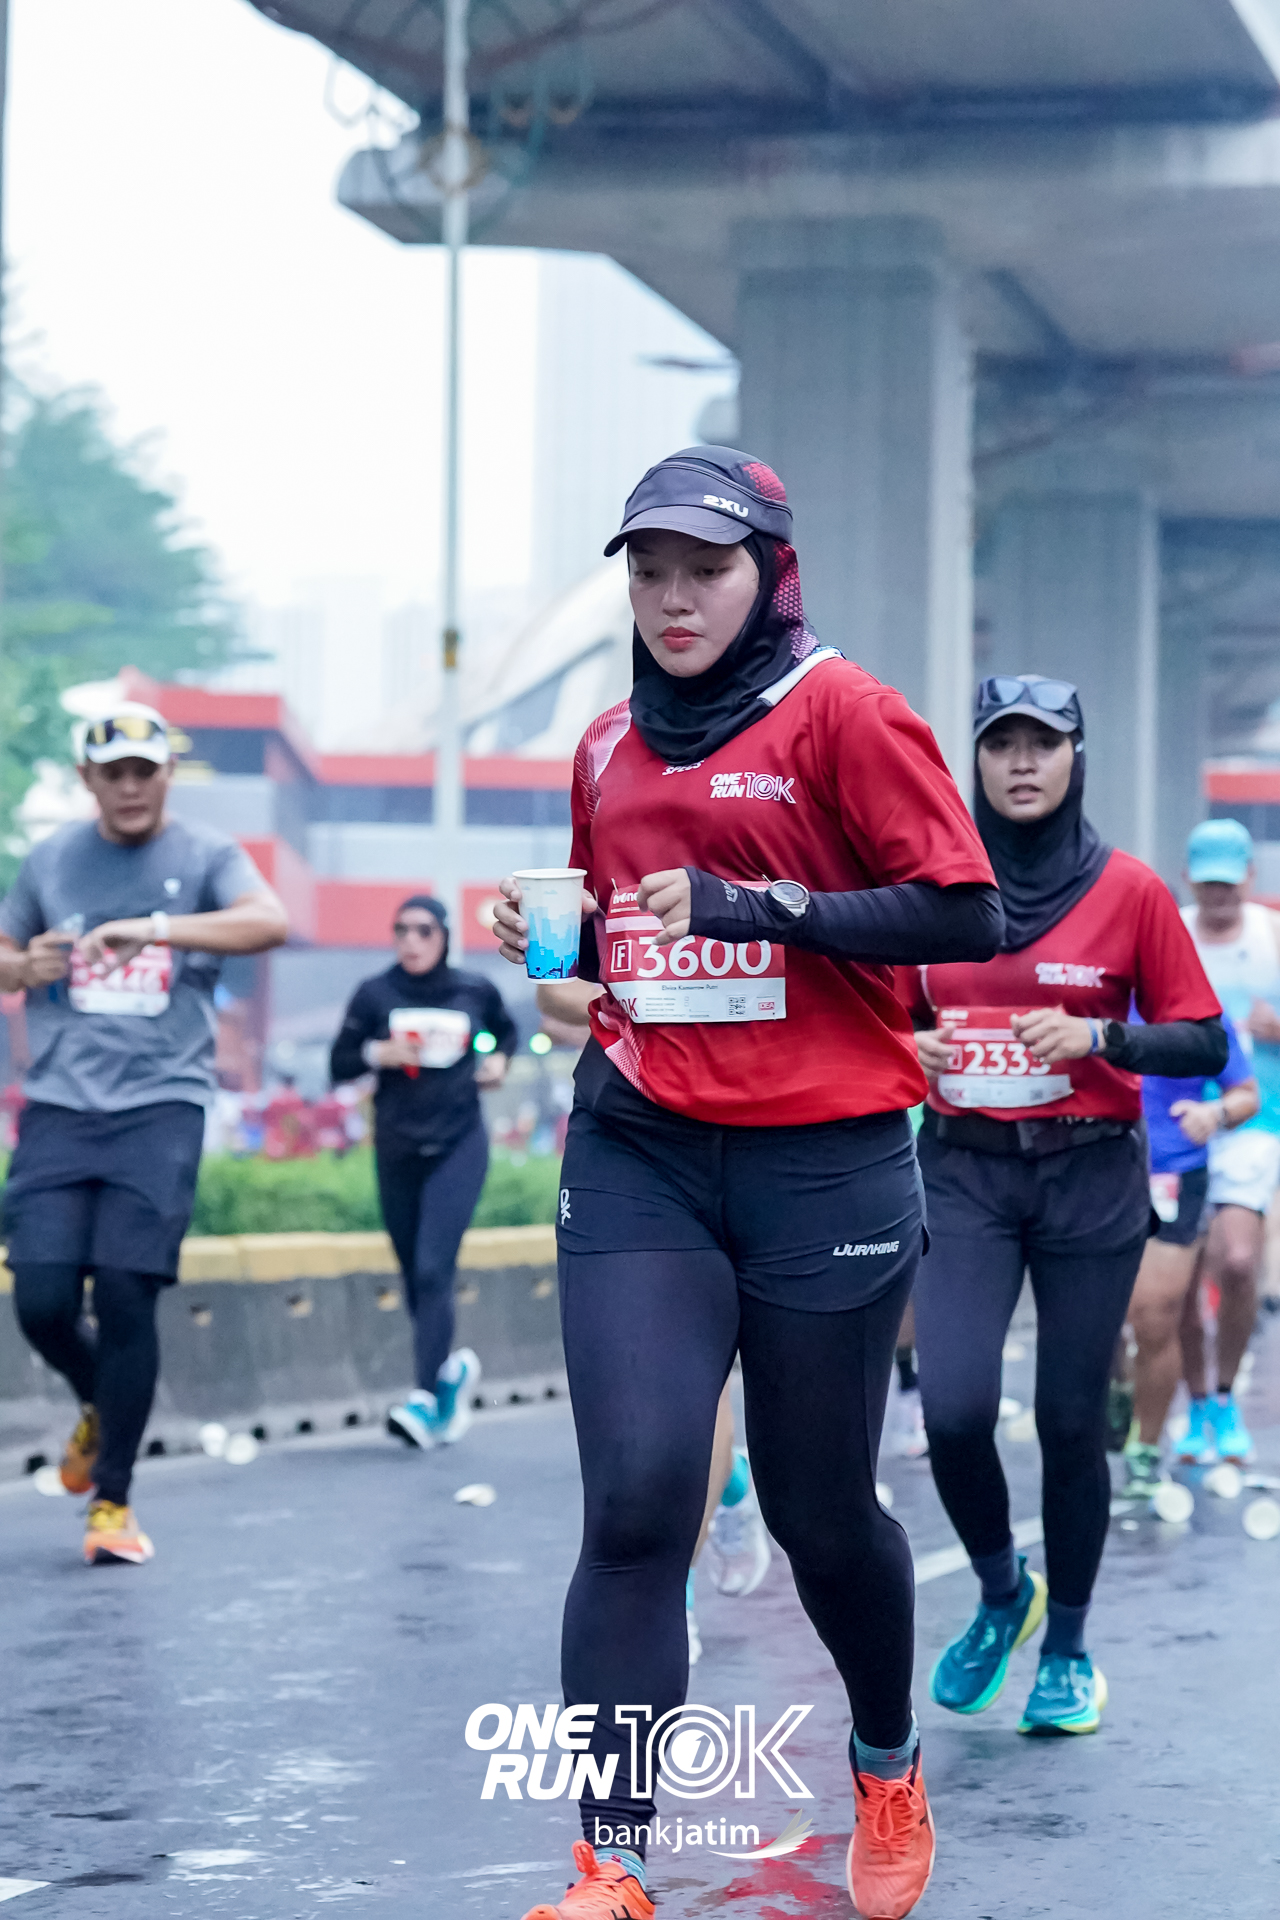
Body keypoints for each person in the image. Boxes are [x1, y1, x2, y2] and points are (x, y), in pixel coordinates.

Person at [493, 445, 1002, 1920]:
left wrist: (757, 906)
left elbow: (961, 911)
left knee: (817, 1511)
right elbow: (609, 937)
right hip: (640, 1146)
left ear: (769, 576)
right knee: (637, 1500)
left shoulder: (846, 712)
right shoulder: (604, 744)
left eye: (703, 571)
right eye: (648, 572)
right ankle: (611, 1860)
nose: (672, 599)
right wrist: (553, 961)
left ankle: (885, 1759)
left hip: (824, 1161)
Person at [906, 676, 1225, 1737]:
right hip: (963, 1171)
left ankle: (1069, 1648)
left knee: (1068, 1417)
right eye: (1001, 744)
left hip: (1088, 1175)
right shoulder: (935, 887)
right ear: (974, 760)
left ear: (1075, 758)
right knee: (952, 1409)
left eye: (1043, 744)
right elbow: (874, 1016)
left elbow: (1203, 1039)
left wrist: (1101, 1038)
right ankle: (1005, 1592)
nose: (1021, 763)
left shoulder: (1129, 891)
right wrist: (908, 1046)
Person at [0, 701, 287, 1564]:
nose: (129, 787)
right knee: (42, 1300)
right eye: (113, 773)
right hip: (60, 1105)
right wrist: (23, 965)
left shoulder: (205, 855)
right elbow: (3, 954)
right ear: (88, 780)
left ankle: (112, 1502)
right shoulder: (51, 859)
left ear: (166, 776)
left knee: (127, 1293)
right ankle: (104, 1402)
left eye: (144, 772)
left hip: (162, 1105)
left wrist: (155, 929)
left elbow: (267, 920)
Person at [534, 977, 773, 1667]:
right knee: (659, 1412)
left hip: (771, 1143)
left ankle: (680, 1583)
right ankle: (716, 1503)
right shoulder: (618, 903)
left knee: (702, 1394)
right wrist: (651, 1004)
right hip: (638, 1151)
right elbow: (553, 995)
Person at [330, 895, 517, 1449]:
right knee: (414, 1272)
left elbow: (506, 1032)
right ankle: (448, 1373)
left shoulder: (474, 990)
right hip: (397, 1148)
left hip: (459, 1144)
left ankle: (426, 1399)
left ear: (444, 937)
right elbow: (339, 1063)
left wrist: (499, 1060)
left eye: (423, 931)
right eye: (401, 931)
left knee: (435, 1268)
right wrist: (375, 1054)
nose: (411, 941)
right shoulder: (375, 994)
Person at [1177, 818, 1280, 1464]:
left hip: (1253, 1121)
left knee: (1238, 1260)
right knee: (1182, 1280)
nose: (1219, 894)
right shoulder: (1172, 932)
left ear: (1249, 877)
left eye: (1229, 882)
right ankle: (1197, 1404)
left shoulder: (1272, 937)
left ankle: (1225, 1393)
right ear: (1190, 878)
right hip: (1177, 1122)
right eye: (1208, 882)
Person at [1122, 1011, 1257, 1497]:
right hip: (1091, 1167)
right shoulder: (1086, 987)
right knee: (1107, 1318)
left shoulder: (1197, 1007)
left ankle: (1150, 1444)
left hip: (1175, 1170)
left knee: (1158, 1311)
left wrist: (1214, 1114)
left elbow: (1246, 1093)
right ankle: (1117, 1393)